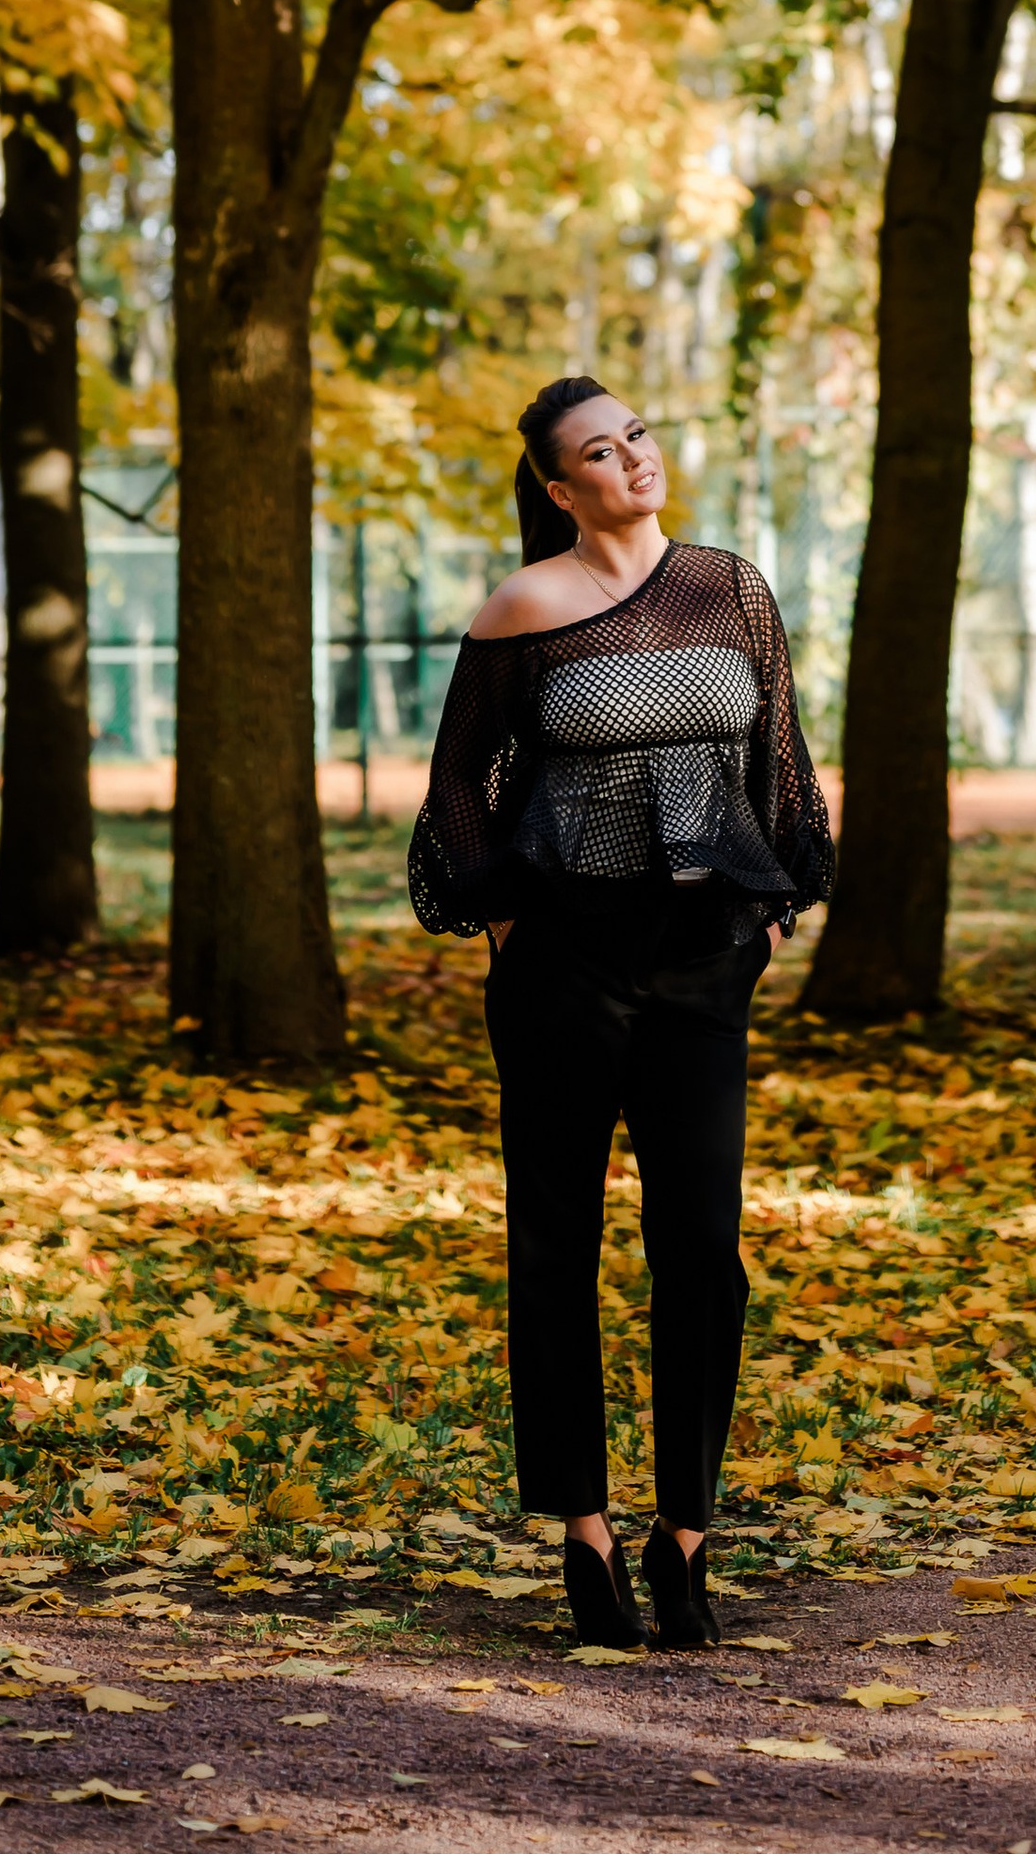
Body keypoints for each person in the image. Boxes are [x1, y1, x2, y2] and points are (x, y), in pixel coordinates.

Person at [407, 376, 833, 1651]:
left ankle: (684, 1532)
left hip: (705, 956)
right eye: (600, 450)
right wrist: (506, 916)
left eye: (638, 431)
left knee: (701, 1244)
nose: (632, 457)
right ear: (557, 486)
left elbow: (781, 764)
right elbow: (461, 792)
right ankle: (585, 1532)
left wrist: (771, 911)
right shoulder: (523, 608)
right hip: (564, 968)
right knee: (555, 1244)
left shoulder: (729, 587)